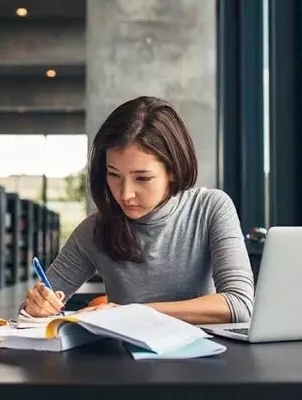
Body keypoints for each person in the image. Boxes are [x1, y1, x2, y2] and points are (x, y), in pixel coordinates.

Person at [22, 96, 254, 325]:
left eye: (142, 178)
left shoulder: (210, 208)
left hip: (205, 357)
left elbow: (240, 304)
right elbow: (28, 316)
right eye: (114, 175)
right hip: (126, 360)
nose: (125, 194)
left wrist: (133, 312)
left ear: (172, 170)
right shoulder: (94, 230)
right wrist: (35, 308)